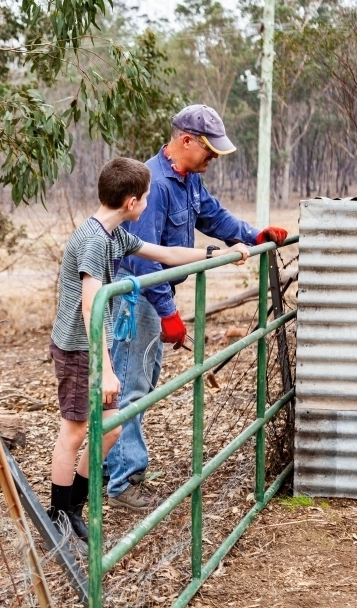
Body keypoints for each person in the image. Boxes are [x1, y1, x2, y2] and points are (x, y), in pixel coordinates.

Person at [48, 156, 249, 542]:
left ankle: (74, 504)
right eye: (145, 198)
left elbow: (165, 254)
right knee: (73, 432)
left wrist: (217, 254)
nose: (147, 203)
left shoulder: (115, 234)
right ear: (131, 203)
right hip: (79, 347)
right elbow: (91, 306)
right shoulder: (93, 242)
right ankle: (60, 511)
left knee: (111, 426)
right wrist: (105, 369)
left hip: (93, 346)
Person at [104, 104, 288, 512]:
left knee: (141, 383)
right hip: (135, 297)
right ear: (185, 141)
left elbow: (214, 217)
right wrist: (166, 310)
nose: (213, 159)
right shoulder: (152, 186)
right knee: (132, 388)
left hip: (152, 297)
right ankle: (123, 481)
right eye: (209, 150)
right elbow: (141, 260)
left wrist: (253, 234)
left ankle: (108, 464)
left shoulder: (187, 181)